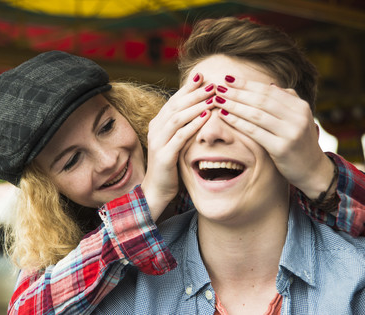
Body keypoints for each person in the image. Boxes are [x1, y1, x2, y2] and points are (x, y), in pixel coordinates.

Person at [0, 50, 365, 314]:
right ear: (48, 193)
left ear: (127, 110)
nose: (109, 159)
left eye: (108, 126)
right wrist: (148, 200)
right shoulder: (61, 244)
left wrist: (318, 173)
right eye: (72, 160)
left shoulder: (201, 160)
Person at [93, 17, 365, 314]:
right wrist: (151, 194)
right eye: (195, 112)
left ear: (304, 143)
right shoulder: (120, 291)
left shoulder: (356, 282)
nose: (211, 133)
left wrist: (319, 173)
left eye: (247, 113)